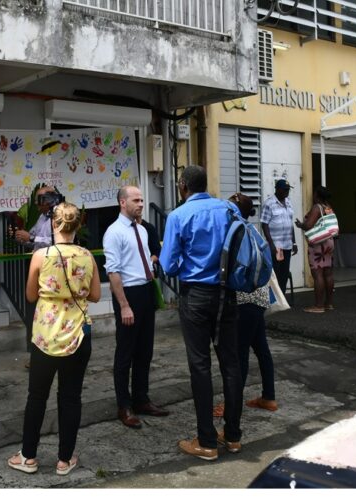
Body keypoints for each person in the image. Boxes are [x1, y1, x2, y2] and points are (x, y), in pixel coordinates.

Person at [7, 202, 101, 476]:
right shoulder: (87, 256)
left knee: (37, 397)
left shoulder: (40, 256)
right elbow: (95, 296)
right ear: (78, 225)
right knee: (70, 397)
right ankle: (65, 459)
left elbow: (30, 296)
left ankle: (28, 457)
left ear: (53, 224)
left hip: (45, 336)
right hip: (78, 334)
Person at [159, 165, 243, 461]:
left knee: (200, 365)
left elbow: (168, 266)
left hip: (195, 295)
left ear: (182, 185)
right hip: (228, 294)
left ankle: (207, 441)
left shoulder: (179, 216)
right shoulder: (229, 209)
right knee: (231, 364)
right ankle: (232, 436)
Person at [103, 186, 170, 430]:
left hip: (145, 291)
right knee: (125, 353)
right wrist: (124, 306)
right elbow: (113, 272)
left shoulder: (141, 230)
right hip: (128, 294)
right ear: (122, 202)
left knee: (145, 350)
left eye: (142, 200)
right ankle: (124, 405)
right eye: (136, 200)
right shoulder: (114, 232)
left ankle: (142, 399)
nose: (141, 204)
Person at [213, 194, 277, 420]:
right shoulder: (252, 230)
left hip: (243, 299)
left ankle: (232, 406)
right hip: (259, 297)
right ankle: (268, 396)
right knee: (261, 348)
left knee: (237, 355)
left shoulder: (233, 231)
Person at [13, 185, 56, 361]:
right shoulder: (41, 217)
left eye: (40, 200)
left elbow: (57, 239)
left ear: (49, 200)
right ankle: (37, 352)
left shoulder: (60, 216)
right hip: (39, 269)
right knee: (35, 311)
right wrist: (23, 237)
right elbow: (35, 240)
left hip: (54, 271)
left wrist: (31, 238)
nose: (37, 205)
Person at [295, 186, 335, 313]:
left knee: (317, 274)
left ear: (317, 195)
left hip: (318, 244)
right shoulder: (328, 207)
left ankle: (318, 306)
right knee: (328, 273)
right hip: (329, 241)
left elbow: (308, 225)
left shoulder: (317, 207)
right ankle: (328, 304)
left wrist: (300, 224)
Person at [260, 179, 296, 296]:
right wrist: (271, 244)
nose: (287, 192)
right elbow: (264, 224)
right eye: (285, 190)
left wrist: (294, 243)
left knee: (284, 273)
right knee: (276, 272)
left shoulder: (289, 202)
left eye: (288, 190)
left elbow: (290, 224)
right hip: (276, 246)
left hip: (287, 245)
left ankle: (282, 297)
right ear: (277, 189)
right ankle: (274, 298)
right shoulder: (269, 203)